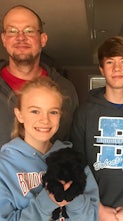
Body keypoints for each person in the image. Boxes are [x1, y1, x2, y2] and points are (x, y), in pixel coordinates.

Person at [70, 36, 123, 221]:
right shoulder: (84, 112)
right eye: (110, 62)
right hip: (92, 211)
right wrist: (96, 207)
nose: (117, 68)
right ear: (101, 69)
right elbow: (75, 164)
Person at [0, 76, 99, 221]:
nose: (44, 120)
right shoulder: (4, 166)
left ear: (60, 115)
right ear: (19, 114)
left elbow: (92, 216)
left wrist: (72, 196)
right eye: (35, 111)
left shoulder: (73, 160)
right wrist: (47, 201)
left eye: (53, 112)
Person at [0, 5, 78, 147]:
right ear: (4, 39)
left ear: (43, 39)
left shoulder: (65, 89)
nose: (20, 37)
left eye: (29, 31)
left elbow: (72, 144)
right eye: (12, 31)